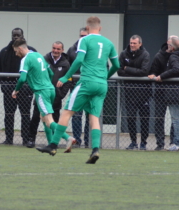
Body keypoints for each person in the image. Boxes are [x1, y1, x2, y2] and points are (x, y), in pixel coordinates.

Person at [37, 16, 120, 165]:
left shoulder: (85, 40)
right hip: (101, 85)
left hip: (87, 82)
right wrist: (105, 77)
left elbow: (79, 60)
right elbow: (116, 65)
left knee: (67, 112)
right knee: (94, 117)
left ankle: (53, 145)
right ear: (100, 28)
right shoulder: (109, 43)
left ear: (87, 29)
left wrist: (65, 77)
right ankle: (95, 150)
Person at [11, 38, 75, 152]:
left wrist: (16, 90)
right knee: (43, 118)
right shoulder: (39, 55)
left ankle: (67, 138)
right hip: (51, 89)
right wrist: (47, 83)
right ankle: (51, 146)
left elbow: (22, 78)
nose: (16, 54)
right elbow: (50, 72)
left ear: (20, 48)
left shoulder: (26, 59)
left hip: (41, 91)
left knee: (49, 120)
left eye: (16, 51)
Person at [0, 28, 36, 145]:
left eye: (18, 35)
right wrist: (3, 85)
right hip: (9, 89)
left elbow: (36, 69)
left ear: (22, 36)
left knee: (25, 115)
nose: (16, 37)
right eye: (14, 35)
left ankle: (25, 139)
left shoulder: (31, 51)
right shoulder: (4, 52)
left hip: (25, 89)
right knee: (8, 114)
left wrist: (30, 86)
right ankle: (9, 139)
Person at [148, 36, 179, 151]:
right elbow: (153, 70)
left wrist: (162, 76)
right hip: (160, 91)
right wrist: (153, 75)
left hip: (174, 91)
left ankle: (173, 143)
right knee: (159, 118)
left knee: (174, 119)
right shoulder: (159, 55)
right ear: (167, 43)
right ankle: (160, 144)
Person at [117, 35, 150, 150]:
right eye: (131, 43)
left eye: (134, 43)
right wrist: (129, 71)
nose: (132, 45)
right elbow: (119, 71)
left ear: (140, 44)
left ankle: (143, 143)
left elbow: (144, 71)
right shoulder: (124, 54)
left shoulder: (145, 54)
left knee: (144, 118)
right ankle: (133, 142)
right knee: (130, 117)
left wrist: (127, 69)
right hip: (129, 92)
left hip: (143, 92)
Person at [66, 27, 90, 147]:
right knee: (76, 115)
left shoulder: (95, 50)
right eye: (81, 36)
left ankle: (88, 141)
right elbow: (68, 67)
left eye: (85, 36)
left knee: (90, 115)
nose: (83, 38)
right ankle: (77, 141)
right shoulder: (72, 50)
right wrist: (70, 82)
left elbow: (105, 66)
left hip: (90, 86)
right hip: (76, 86)